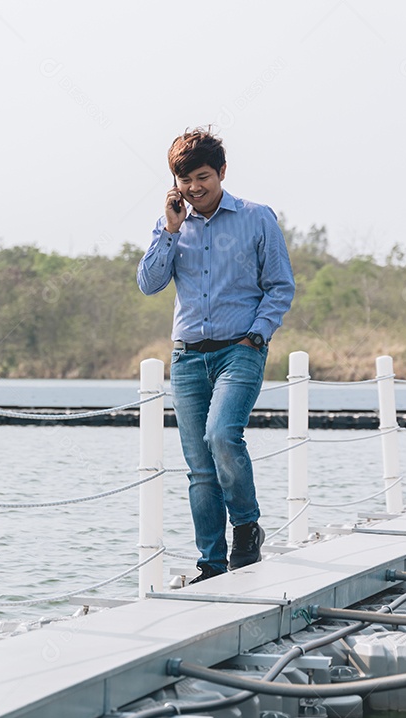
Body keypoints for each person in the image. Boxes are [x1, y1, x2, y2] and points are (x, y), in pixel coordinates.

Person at [136, 128, 295, 584]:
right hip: (187, 359)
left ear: (222, 172)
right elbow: (149, 283)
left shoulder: (257, 217)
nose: (194, 188)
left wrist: (258, 336)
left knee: (222, 436)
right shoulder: (171, 225)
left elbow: (280, 285)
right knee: (199, 469)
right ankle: (211, 564)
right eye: (185, 180)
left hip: (239, 350)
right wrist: (168, 229)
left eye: (202, 176)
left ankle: (246, 526)